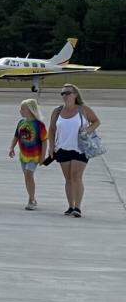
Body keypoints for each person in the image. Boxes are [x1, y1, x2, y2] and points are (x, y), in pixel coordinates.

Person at [47, 83, 101, 217]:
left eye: (68, 93)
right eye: (62, 93)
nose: (65, 95)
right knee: (68, 178)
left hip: (80, 148)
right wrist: (51, 146)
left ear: (75, 94)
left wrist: (87, 130)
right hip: (62, 148)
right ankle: (70, 206)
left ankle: (78, 207)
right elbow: (52, 130)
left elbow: (96, 121)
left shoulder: (83, 109)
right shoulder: (57, 111)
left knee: (76, 176)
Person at [9, 98, 47, 210]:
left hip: (34, 156)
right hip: (23, 155)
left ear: (30, 110)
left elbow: (44, 141)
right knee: (26, 177)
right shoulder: (21, 123)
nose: (20, 111)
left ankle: (31, 200)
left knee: (29, 174)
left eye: (22, 109)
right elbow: (16, 137)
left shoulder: (39, 125)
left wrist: (43, 156)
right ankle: (32, 197)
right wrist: (11, 147)